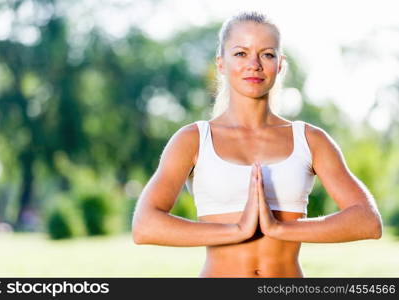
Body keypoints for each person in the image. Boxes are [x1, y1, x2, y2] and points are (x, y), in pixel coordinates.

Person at [131, 11, 383, 278]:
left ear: (280, 63)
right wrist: (238, 230)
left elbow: (367, 221)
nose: (254, 64)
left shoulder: (309, 139)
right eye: (240, 53)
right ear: (221, 63)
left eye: (267, 54)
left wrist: (279, 229)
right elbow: (145, 226)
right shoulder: (193, 139)